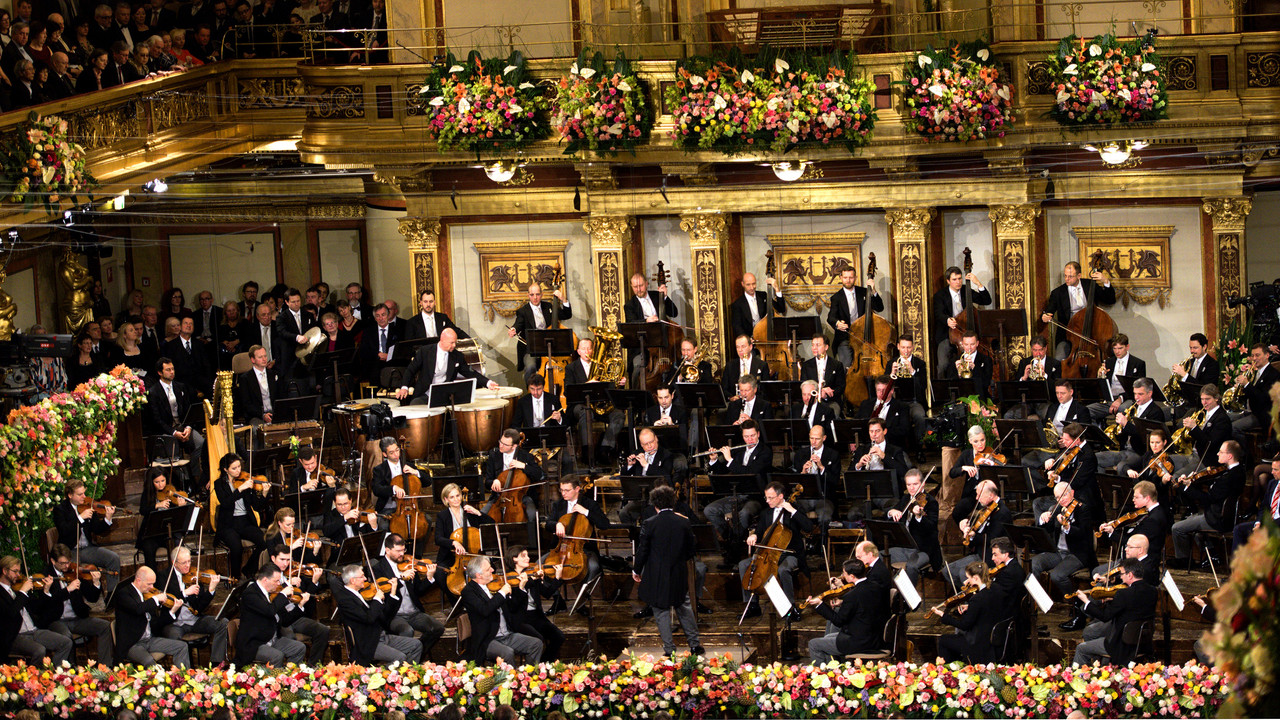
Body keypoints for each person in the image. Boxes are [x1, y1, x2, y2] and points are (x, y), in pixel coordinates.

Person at [633, 485, 703, 657]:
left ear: (655, 505)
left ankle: (669, 650)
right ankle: (695, 645)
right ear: (673, 502)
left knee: (661, 611)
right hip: (679, 572)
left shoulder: (650, 523)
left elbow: (643, 550)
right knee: (684, 606)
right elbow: (691, 551)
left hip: (656, 575)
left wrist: (636, 570)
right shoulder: (684, 521)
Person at [740, 482, 812, 618]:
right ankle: (753, 605)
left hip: (790, 554)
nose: (767, 501)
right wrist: (755, 535)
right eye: (766, 498)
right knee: (743, 565)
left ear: (780, 496)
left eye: (770, 498)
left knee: (783, 570)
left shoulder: (794, 508)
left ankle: (789, 608)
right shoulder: (767, 512)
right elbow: (761, 531)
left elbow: (809, 527)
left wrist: (792, 511)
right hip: (769, 554)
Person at [704, 420, 771, 564]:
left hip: (755, 497)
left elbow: (750, 472)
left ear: (758, 434)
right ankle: (731, 541)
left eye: (753, 436)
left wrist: (729, 459)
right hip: (737, 494)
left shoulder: (765, 452)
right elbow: (725, 471)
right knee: (710, 510)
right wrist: (715, 461)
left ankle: (735, 549)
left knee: (744, 514)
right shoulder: (739, 451)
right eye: (746, 437)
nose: (750, 440)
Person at [1032, 483, 1098, 630]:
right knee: (1033, 564)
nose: (1061, 500)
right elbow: (1048, 529)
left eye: (1063, 495)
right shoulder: (1057, 509)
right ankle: (1034, 607)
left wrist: (1068, 528)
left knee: (1057, 576)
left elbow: (1083, 533)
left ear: (1072, 493)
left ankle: (1078, 609)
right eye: (1057, 497)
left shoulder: (1083, 509)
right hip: (1058, 552)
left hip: (1077, 554)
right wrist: (1043, 519)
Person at [1172, 440, 1246, 569]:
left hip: (1217, 518)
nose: (1217, 454)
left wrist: (1187, 487)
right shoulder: (1239, 471)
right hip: (1222, 515)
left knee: (1177, 528)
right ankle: (1212, 555)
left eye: (1221, 452)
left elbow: (1207, 498)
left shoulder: (1228, 478)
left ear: (1229, 456)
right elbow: (1215, 491)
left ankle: (1183, 561)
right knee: (1190, 519)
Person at [37, 544, 114, 665]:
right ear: (53, 561)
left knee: (104, 626)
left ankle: (106, 666)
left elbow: (92, 598)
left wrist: (96, 583)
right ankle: (70, 670)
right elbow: (45, 603)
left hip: (77, 618)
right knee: (66, 637)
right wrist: (68, 590)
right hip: (56, 620)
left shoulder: (74, 572)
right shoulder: (45, 575)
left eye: (68, 562)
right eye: (62, 563)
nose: (67, 566)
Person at [459, 556, 544, 665]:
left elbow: (513, 607)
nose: (493, 570)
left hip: (507, 635)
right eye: (488, 569)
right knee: (507, 653)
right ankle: (510, 680)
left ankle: (529, 675)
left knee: (536, 644)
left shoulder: (497, 584)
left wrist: (521, 588)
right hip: (488, 639)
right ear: (478, 575)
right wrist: (502, 593)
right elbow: (485, 610)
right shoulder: (468, 592)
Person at [333, 564, 423, 665]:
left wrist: (392, 593)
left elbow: (385, 616)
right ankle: (382, 677)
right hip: (368, 643)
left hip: (381, 636)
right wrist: (376, 600)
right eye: (362, 576)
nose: (365, 579)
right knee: (399, 658)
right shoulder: (345, 599)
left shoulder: (362, 593)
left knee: (416, 645)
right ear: (353, 580)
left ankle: (406, 675)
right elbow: (368, 618)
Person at [1072, 558, 1157, 665]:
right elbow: (1135, 605)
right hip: (1143, 643)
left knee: (1081, 649)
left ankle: (1080, 679)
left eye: (1122, 574)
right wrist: (1114, 601)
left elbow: (1105, 616)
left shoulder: (1123, 594)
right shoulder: (1153, 591)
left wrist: (1086, 601)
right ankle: (1102, 668)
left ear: (1130, 575)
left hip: (1121, 645)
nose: (1120, 577)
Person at [374, 533, 445, 659]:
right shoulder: (377, 568)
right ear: (387, 550)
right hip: (394, 615)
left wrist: (429, 578)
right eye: (398, 551)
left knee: (437, 628)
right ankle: (401, 661)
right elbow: (384, 591)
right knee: (407, 631)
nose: (402, 554)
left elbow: (418, 591)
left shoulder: (410, 563)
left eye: (403, 550)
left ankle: (416, 655)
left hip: (413, 612)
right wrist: (401, 578)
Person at [804, 559, 889, 662]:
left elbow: (839, 621)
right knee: (829, 636)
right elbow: (863, 605)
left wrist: (820, 604)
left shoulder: (852, 596)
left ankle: (823, 675)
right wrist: (842, 603)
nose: (843, 576)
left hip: (859, 642)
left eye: (844, 573)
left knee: (814, 644)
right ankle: (834, 668)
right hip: (875, 638)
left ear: (852, 576)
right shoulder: (876, 586)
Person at [159, 546, 229, 665]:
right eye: (184, 562)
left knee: (223, 623)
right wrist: (184, 593)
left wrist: (210, 590)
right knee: (174, 638)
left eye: (189, 561)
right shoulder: (164, 577)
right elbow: (165, 599)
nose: (188, 565)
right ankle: (183, 674)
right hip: (174, 623)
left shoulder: (194, 576)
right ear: (174, 563)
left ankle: (217, 664)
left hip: (194, 620)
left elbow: (199, 606)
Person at [0, 555, 73, 665]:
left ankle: (56, 674)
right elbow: (11, 613)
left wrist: (46, 591)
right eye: (15, 571)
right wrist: (23, 592)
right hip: (15, 636)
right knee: (39, 650)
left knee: (66, 642)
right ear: (5, 571)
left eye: (19, 571)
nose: (18, 575)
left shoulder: (17, 588)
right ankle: (34, 678)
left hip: (34, 630)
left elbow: (38, 608)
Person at [51, 480, 122, 593]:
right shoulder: (60, 509)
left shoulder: (87, 506)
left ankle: (111, 596)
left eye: (84, 493)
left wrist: (107, 519)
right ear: (70, 495)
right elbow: (64, 530)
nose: (84, 496)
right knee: (72, 571)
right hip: (70, 551)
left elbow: (97, 529)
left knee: (113, 558)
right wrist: (80, 518)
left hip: (88, 549)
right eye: (80, 494)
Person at [264, 545, 330, 665]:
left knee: (323, 630)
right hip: (281, 618)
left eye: (288, 560)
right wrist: (287, 584)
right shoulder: (268, 575)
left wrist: (314, 582)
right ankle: (292, 673)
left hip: (295, 615)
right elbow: (270, 598)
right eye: (282, 559)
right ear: (273, 559)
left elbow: (303, 596)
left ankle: (313, 666)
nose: (286, 563)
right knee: (290, 637)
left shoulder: (291, 573)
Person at [395, 327, 497, 404]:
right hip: (425, 394)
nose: (454, 345)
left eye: (455, 342)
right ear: (442, 340)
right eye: (451, 343)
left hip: (444, 395)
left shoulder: (457, 356)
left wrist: (488, 382)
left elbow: (470, 372)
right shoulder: (425, 351)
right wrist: (404, 387)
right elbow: (410, 370)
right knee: (415, 405)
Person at [563, 337, 625, 462]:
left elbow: (611, 388)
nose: (587, 352)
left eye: (590, 349)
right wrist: (587, 385)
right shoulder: (571, 368)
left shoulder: (602, 365)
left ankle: (604, 449)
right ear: (578, 351)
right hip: (579, 406)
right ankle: (587, 452)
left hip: (600, 406)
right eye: (584, 349)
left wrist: (619, 384)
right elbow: (568, 391)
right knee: (585, 412)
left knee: (619, 415)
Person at [114, 566, 191, 667]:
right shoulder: (124, 593)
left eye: (153, 584)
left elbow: (155, 623)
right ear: (138, 580)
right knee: (149, 661)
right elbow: (138, 609)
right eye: (149, 584)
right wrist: (155, 599)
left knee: (182, 646)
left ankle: (182, 678)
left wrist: (172, 611)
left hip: (149, 640)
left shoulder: (147, 595)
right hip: (132, 644)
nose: (152, 587)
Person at [235, 562, 308, 666]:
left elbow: (285, 621)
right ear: (265, 580)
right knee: (277, 656)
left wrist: (300, 605)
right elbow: (269, 610)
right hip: (254, 643)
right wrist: (282, 595)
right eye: (276, 581)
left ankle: (289, 678)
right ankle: (275, 681)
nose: (279, 584)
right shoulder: (250, 594)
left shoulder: (273, 594)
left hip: (271, 639)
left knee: (299, 648)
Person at [931, 560, 1005, 664]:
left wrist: (944, 616)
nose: (967, 581)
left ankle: (949, 672)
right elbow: (985, 607)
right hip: (992, 637)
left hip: (977, 644)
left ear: (975, 578)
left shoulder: (977, 599)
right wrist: (970, 607)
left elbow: (964, 625)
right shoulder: (995, 589)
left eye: (968, 578)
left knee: (943, 640)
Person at [1040, 261, 1117, 360]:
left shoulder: (1090, 285)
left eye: (1070, 276)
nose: (1066, 279)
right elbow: (1048, 311)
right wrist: (1045, 316)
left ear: (1079, 275)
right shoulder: (1058, 293)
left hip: (1092, 335)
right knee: (1059, 359)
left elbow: (1110, 300)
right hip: (1068, 337)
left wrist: (1105, 281)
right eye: (1065, 276)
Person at [501, 545, 566, 661]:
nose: (528, 558)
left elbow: (547, 593)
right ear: (514, 559)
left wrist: (557, 578)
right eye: (523, 556)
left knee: (559, 637)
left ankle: (544, 663)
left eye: (527, 555)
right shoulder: (508, 579)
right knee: (538, 639)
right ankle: (533, 669)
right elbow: (512, 607)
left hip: (536, 616)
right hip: (520, 619)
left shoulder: (532, 574)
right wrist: (521, 587)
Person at [479, 429, 544, 543]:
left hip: (521, 497)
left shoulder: (526, 457)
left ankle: (529, 545)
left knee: (531, 514)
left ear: (514, 446)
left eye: (505, 444)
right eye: (500, 441)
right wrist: (494, 481)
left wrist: (524, 466)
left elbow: (539, 475)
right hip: (498, 497)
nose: (500, 445)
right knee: (482, 515)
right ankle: (490, 547)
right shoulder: (494, 456)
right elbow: (487, 481)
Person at [212, 452, 268, 581]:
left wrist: (264, 494)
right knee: (236, 547)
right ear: (226, 469)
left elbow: (257, 506)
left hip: (245, 521)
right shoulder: (219, 484)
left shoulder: (246, 480)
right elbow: (226, 503)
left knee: (264, 542)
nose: (238, 471)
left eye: (239, 467)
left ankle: (249, 570)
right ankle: (235, 577)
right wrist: (240, 490)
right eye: (234, 468)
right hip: (228, 524)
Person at [545, 477, 610, 587]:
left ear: (577, 489)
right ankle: (558, 600)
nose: (563, 493)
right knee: (541, 566)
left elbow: (604, 524)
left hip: (584, 550)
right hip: (559, 549)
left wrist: (586, 512)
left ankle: (582, 599)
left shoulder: (589, 504)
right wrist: (557, 524)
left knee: (593, 567)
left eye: (567, 490)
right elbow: (548, 524)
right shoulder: (558, 504)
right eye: (561, 490)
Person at [945, 480, 1011, 588]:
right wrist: (967, 528)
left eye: (979, 495)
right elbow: (978, 532)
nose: (976, 498)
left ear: (990, 495)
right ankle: (967, 595)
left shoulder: (1002, 513)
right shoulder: (985, 509)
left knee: (964, 573)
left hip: (990, 556)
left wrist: (973, 536)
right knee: (948, 570)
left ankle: (975, 600)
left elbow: (991, 539)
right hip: (979, 552)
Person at [931, 265, 993, 379]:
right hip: (946, 334)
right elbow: (938, 313)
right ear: (948, 281)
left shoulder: (966, 290)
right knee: (943, 364)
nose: (958, 282)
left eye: (960, 278)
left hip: (967, 333)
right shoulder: (940, 295)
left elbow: (987, 300)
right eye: (954, 279)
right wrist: (947, 320)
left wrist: (978, 283)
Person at [433, 482, 494, 592]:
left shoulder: (469, 511)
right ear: (446, 499)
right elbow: (438, 538)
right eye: (452, 497)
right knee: (439, 575)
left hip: (474, 554)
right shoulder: (442, 516)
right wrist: (454, 542)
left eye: (458, 495)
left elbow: (491, 524)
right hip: (451, 557)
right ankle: (456, 603)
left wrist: (478, 513)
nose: (456, 499)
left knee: (488, 568)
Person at [886, 468, 943, 584]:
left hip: (923, 549)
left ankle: (909, 600)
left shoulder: (931, 502)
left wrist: (919, 517)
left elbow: (931, 527)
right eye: (909, 485)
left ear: (923, 484)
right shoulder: (906, 499)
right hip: (905, 547)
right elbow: (890, 510)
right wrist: (892, 512)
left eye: (915, 484)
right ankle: (891, 593)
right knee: (882, 556)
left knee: (911, 567)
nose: (912, 488)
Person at [1095, 377, 1165, 472]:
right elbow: (1123, 433)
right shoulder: (1132, 408)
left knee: (1122, 466)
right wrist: (1119, 428)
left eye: (1140, 394)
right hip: (1124, 450)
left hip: (1140, 453)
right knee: (1094, 458)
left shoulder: (1155, 412)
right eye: (1135, 393)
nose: (1136, 397)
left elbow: (1146, 437)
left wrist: (1126, 424)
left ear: (1150, 394)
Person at [622, 272, 678, 386]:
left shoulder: (657, 296)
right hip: (642, 347)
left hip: (664, 346)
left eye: (641, 285)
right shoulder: (630, 305)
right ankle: (638, 395)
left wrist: (665, 297)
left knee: (676, 366)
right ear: (632, 287)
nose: (639, 289)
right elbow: (631, 323)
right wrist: (646, 321)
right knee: (637, 367)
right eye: (635, 287)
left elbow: (674, 313)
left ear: (646, 284)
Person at [618, 427, 682, 525]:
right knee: (624, 513)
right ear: (641, 445)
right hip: (641, 497)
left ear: (656, 439)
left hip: (659, 500)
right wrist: (630, 465)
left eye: (651, 442)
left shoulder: (666, 455)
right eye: (645, 444)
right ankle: (636, 538)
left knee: (648, 514)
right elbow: (625, 477)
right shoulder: (637, 453)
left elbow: (665, 474)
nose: (649, 446)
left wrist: (646, 465)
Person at [509, 282, 571, 380]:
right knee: (530, 367)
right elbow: (518, 324)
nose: (535, 298)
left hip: (550, 348)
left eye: (537, 294)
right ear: (528, 295)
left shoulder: (549, 307)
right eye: (532, 295)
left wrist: (563, 299)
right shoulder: (523, 311)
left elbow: (567, 315)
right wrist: (514, 329)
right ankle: (531, 392)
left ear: (542, 295)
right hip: (531, 350)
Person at [826, 265, 884, 369]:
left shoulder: (864, 292)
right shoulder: (837, 297)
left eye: (851, 277)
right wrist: (838, 323)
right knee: (847, 366)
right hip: (845, 338)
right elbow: (831, 317)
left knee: (868, 366)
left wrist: (874, 291)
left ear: (855, 278)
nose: (848, 280)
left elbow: (879, 308)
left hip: (864, 337)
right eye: (845, 277)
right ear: (841, 278)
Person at [1098, 480, 1171, 556]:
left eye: (1136, 497)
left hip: (1142, 561)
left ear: (1147, 498)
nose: (1133, 499)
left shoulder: (1153, 519)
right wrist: (1113, 523)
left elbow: (1133, 543)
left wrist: (1112, 532)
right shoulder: (1153, 511)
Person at [136, 468, 191, 568]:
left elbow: (176, 515)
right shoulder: (147, 493)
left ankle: (177, 573)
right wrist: (156, 506)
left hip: (167, 532)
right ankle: (153, 579)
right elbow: (143, 510)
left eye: (163, 481)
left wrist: (180, 507)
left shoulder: (170, 492)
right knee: (149, 549)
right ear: (151, 482)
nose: (161, 485)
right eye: (157, 482)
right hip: (151, 534)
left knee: (177, 545)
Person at [1087, 335, 1148, 423]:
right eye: (1115, 348)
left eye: (1120, 348)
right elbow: (1103, 386)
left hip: (1127, 399)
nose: (1117, 351)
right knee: (1087, 411)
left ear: (1127, 347)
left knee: (1122, 410)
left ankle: (1120, 435)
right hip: (1110, 400)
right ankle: (1102, 435)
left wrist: (1120, 399)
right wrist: (1100, 376)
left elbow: (1139, 387)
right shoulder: (1109, 362)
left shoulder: (1138, 363)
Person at [1230, 343, 1279, 442]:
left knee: (1233, 427)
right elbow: (1252, 394)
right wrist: (1240, 388)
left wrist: (1247, 384)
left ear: (1267, 355)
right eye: (1252, 356)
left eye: (1257, 355)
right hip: (1249, 411)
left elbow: (1264, 398)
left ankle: (1245, 455)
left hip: (1262, 415)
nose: (1254, 358)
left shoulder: (1273, 374)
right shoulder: (1256, 373)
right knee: (1223, 418)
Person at [792, 424, 838, 528]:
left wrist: (822, 467)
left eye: (817, 439)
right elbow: (793, 481)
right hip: (804, 497)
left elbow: (834, 481)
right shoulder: (800, 454)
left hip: (824, 497)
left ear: (824, 438)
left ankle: (822, 543)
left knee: (825, 516)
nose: (813, 442)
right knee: (793, 512)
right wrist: (803, 472)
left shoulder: (833, 454)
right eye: (811, 438)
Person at [856, 375, 913, 453]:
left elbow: (904, 430)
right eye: (879, 390)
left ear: (892, 390)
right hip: (868, 448)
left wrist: (882, 434)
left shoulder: (902, 407)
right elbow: (856, 424)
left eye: (884, 390)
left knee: (905, 464)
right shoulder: (866, 404)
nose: (881, 393)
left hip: (892, 448)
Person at [1235, 457, 1280, 551]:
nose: (1272, 472)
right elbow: (1263, 507)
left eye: (1275, 470)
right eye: (1272, 469)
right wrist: (1258, 523)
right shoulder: (1272, 483)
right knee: (1239, 530)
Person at [273, 288, 316, 379]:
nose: (297, 304)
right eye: (293, 302)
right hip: (290, 356)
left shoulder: (308, 315)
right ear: (287, 302)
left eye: (298, 301)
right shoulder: (281, 317)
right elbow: (282, 332)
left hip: (306, 355)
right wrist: (296, 337)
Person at [1171, 333, 1219, 416]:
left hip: (1199, 406)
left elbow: (1204, 388)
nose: (1192, 351)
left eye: (1195, 348)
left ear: (1204, 347)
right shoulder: (1190, 362)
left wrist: (1184, 374)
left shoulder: (1212, 364)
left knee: (1179, 426)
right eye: (1190, 347)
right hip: (1185, 403)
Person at [800, 333, 846, 418]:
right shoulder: (806, 365)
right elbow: (804, 384)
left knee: (831, 413)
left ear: (826, 347)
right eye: (813, 345)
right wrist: (820, 391)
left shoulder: (837, 365)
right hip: (811, 400)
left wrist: (827, 395)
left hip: (831, 401)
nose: (814, 348)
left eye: (818, 345)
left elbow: (841, 387)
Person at [235, 344, 278, 429]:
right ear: (253, 360)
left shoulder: (273, 374)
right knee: (258, 430)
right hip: (256, 416)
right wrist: (262, 415)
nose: (264, 359)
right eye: (260, 357)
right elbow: (246, 404)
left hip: (275, 414)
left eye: (265, 356)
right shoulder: (245, 379)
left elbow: (280, 396)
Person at [942, 331, 994, 401]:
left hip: (980, 399)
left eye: (972, 344)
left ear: (977, 343)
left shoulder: (986, 359)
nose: (969, 348)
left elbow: (986, 382)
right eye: (966, 344)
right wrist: (958, 373)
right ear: (962, 344)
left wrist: (974, 368)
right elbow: (950, 384)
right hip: (960, 399)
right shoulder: (954, 360)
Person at [355, 303, 399, 385]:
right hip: (374, 364)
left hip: (392, 363)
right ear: (375, 318)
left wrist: (388, 356)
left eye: (383, 315)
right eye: (378, 316)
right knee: (374, 369)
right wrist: (378, 354)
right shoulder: (368, 332)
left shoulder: (397, 330)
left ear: (388, 315)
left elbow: (400, 349)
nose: (381, 318)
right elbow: (363, 351)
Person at [721, 334, 772, 401]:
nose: (740, 350)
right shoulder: (730, 366)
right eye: (737, 347)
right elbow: (724, 389)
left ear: (750, 347)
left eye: (743, 346)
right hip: (736, 404)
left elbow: (765, 390)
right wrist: (731, 397)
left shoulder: (761, 365)